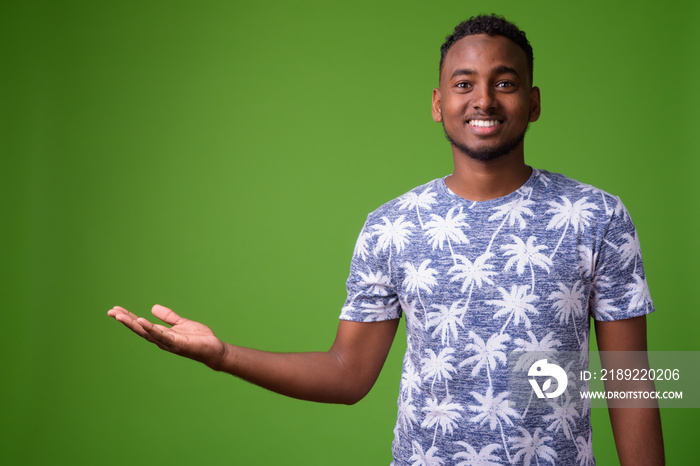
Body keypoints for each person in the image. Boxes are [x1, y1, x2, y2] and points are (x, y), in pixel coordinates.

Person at [108, 14, 664, 465]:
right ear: (438, 103)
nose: (485, 100)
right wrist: (224, 355)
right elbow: (348, 374)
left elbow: (629, 380)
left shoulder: (596, 216)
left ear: (534, 102)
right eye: (464, 83)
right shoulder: (392, 226)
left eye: (506, 82)